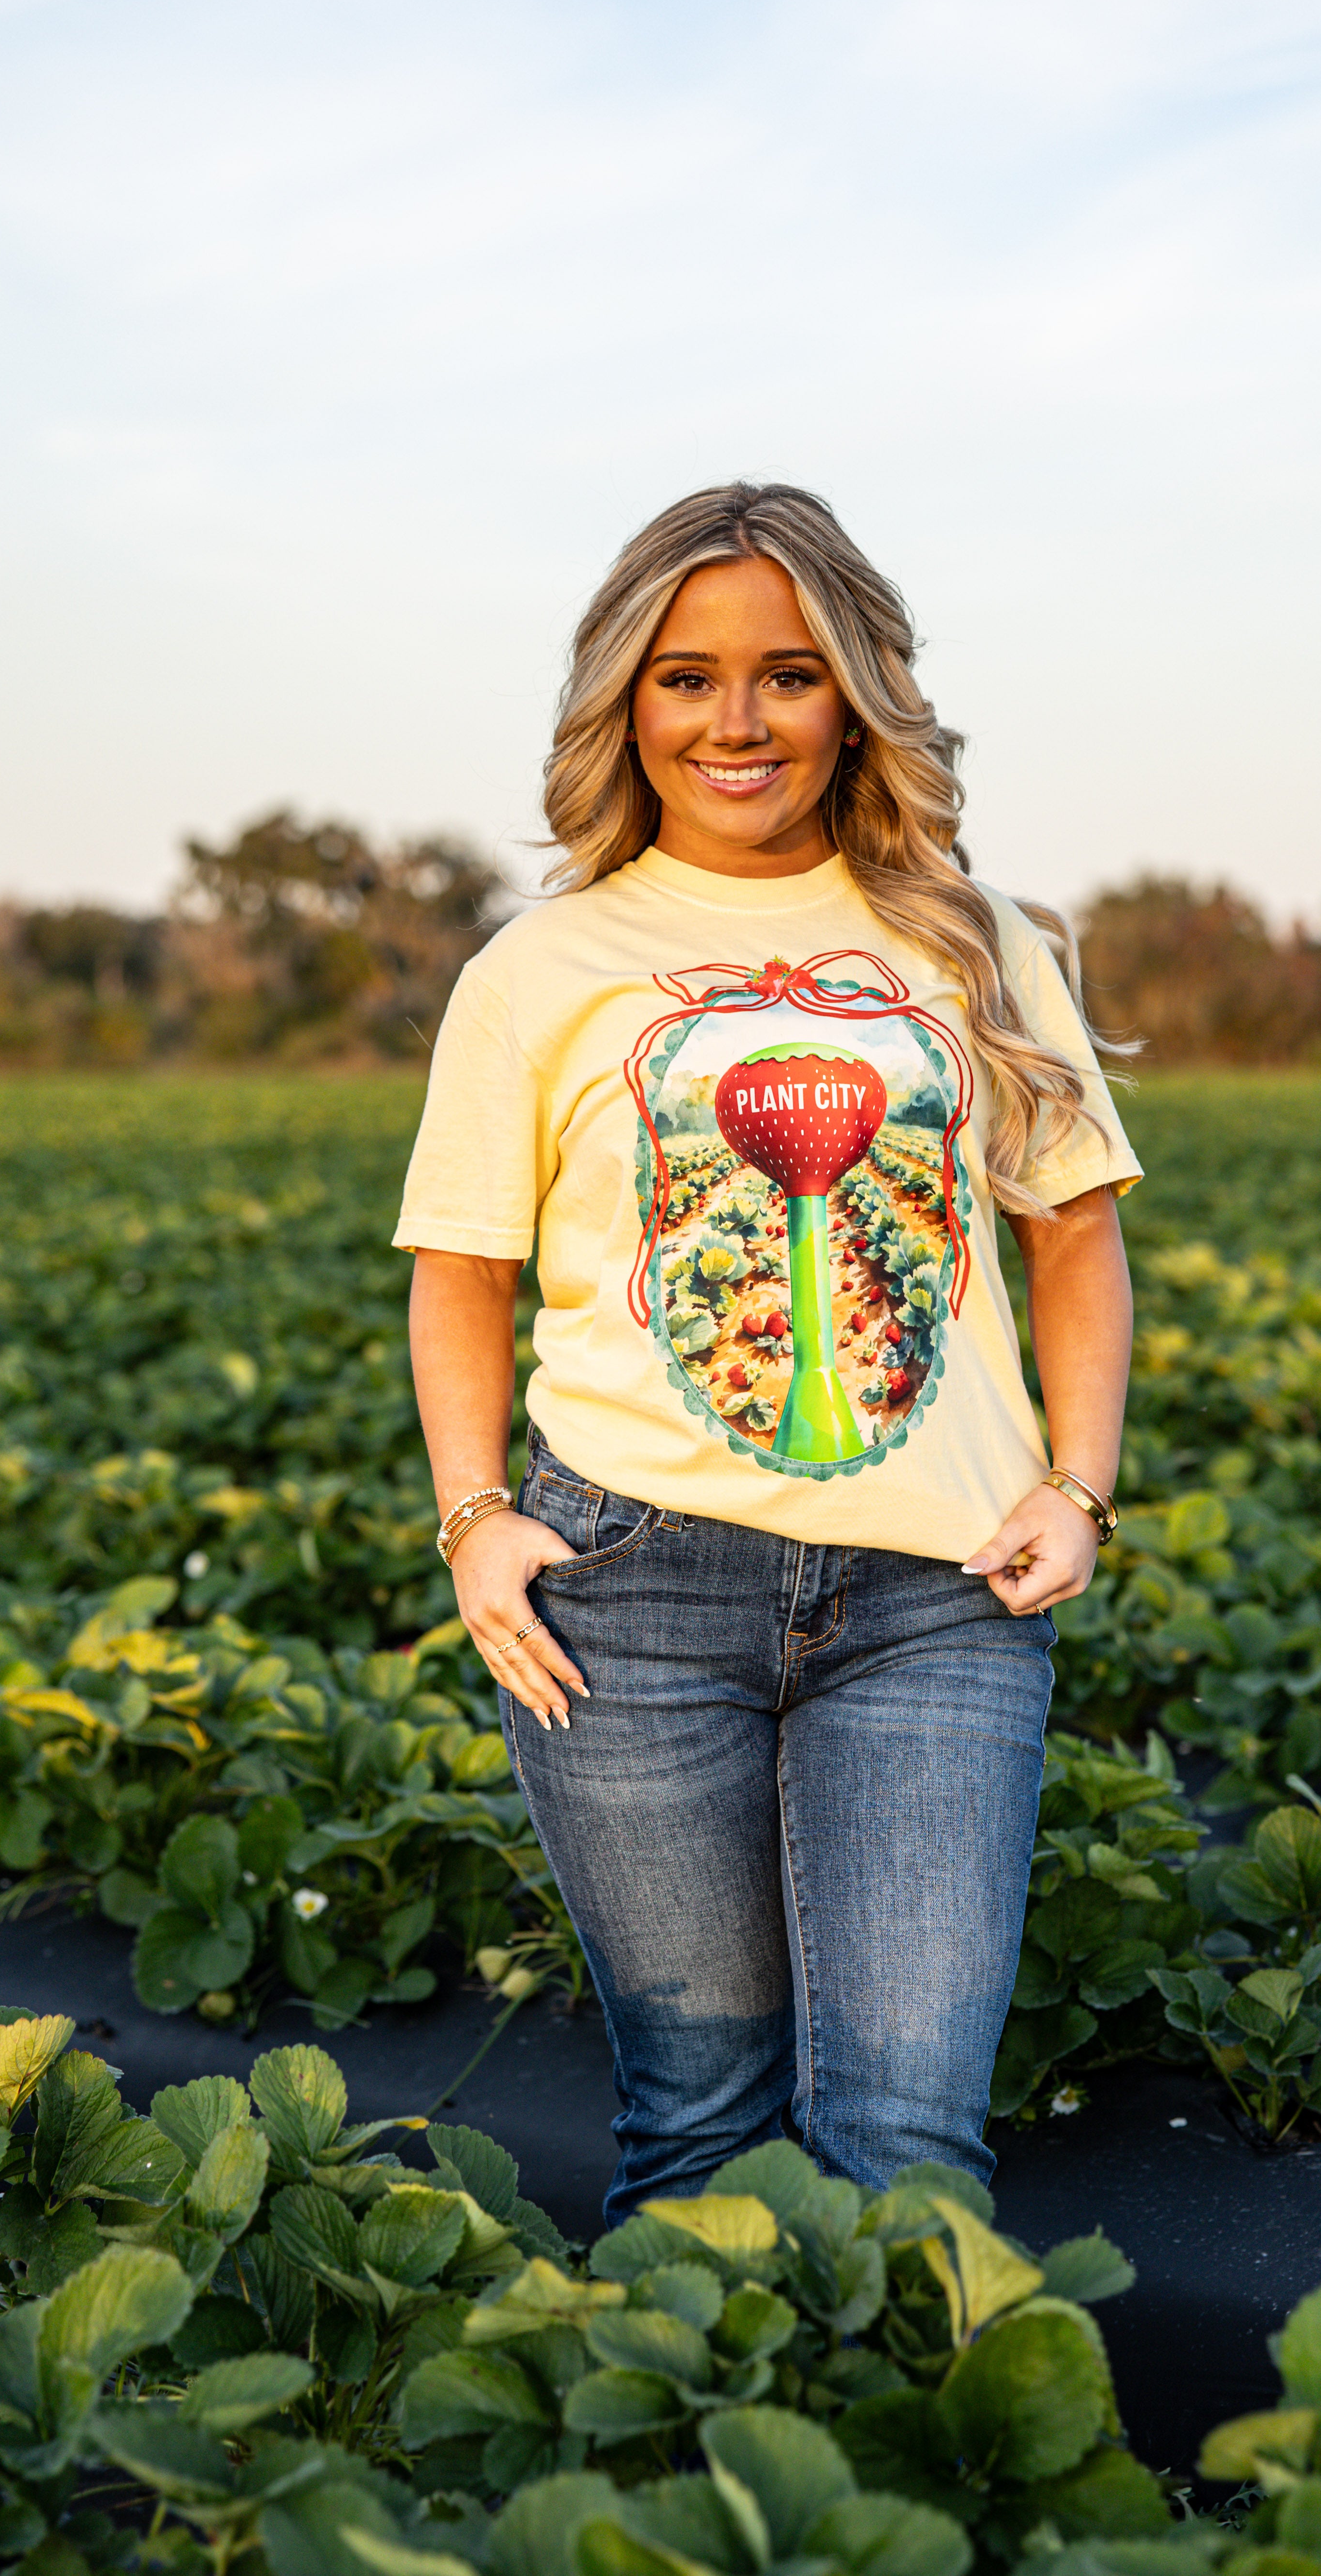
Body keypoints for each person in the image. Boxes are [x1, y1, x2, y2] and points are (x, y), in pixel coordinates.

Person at [397, 481, 1140, 2222]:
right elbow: (459, 1274)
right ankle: (698, 2477)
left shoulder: (975, 938)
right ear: (624, 706)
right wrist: (471, 1515)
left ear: (856, 692)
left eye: (788, 674)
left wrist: (1080, 1487)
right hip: (629, 1593)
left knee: (907, 2149)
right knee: (701, 2132)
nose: (736, 721)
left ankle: (905, 2470)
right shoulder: (542, 967)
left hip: (939, 1602)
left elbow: (1077, 1233)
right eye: (685, 677)